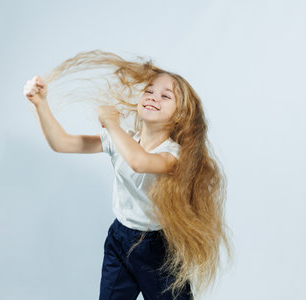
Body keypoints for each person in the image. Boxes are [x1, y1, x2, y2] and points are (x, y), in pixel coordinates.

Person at [23, 50, 232, 300]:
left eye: (166, 96)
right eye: (149, 91)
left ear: (180, 116)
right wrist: (40, 104)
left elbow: (139, 162)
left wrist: (111, 124)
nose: (154, 97)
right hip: (119, 239)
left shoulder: (174, 155)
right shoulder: (123, 140)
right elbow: (62, 143)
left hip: (157, 246)